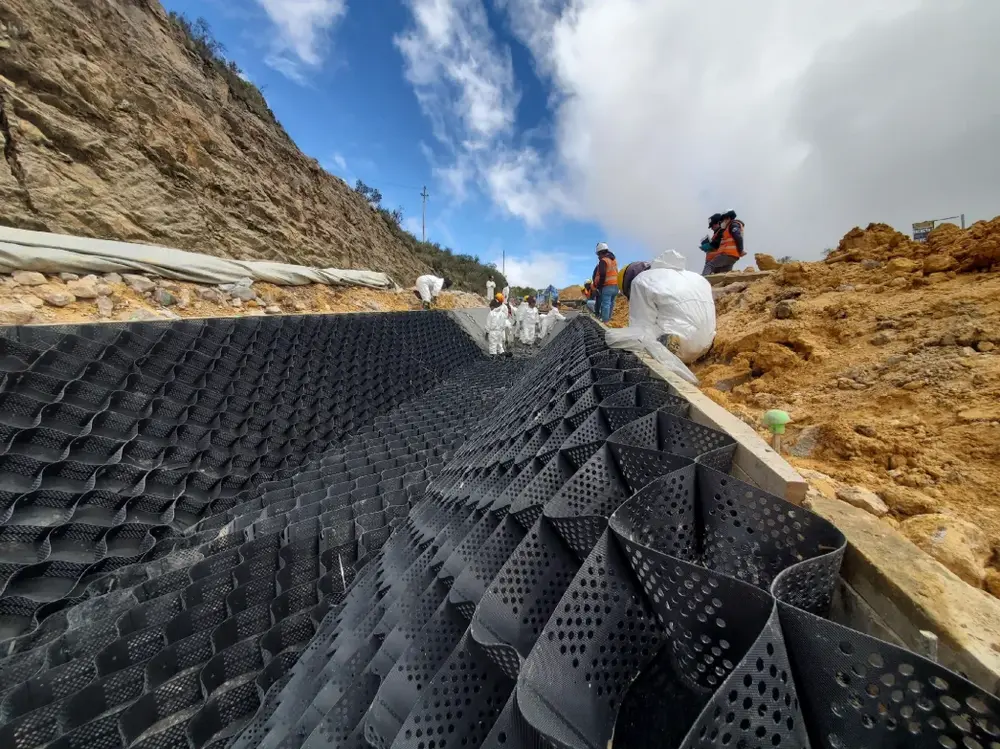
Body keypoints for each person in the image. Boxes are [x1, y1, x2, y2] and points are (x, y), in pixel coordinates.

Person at [619, 250, 716, 363]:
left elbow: (641, 324)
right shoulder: (699, 279)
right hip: (705, 346)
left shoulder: (641, 281)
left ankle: (669, 345)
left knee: (618, 337)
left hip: (674, 348)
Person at [702, 210, 745, 276]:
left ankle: (702, 282)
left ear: (728, 218)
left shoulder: (732, 225)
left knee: (709, 266)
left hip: (727, 254)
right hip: (732, 255)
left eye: (723, 220)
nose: (722, 222)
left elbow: (738, 237)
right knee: (724, 274)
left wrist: (741, 250)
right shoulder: (728, 228)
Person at [592, 242, 619, 322]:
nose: (598, 257)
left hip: (607, 286)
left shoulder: (603, 261)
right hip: (616, 286)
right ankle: (608, 320)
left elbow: (603, 274)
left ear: (600, 252)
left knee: (606, 304)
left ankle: (605, 321)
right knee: (611, 304)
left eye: (598, 255)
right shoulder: (613, 260)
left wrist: (600, 285)